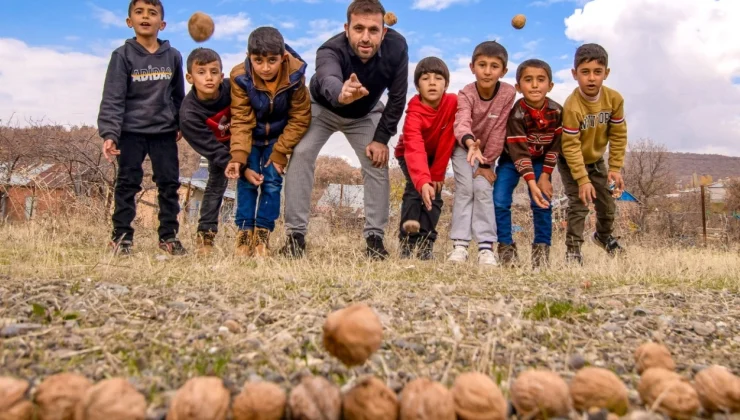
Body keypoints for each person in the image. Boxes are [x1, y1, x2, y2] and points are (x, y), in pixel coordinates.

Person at [280, 0, 409, 260]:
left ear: (383, 32)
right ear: (346, 28)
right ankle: (295, 236)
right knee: (301, 153)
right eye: (358, 28)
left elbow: (397, 97)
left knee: (377, 161)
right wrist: (341, 93)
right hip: (322, 107)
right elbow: (327, 77)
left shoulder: (397, 47)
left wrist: (382, 139)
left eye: (373, 30)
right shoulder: (329, 49)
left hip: (365, 114)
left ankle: (375, 239)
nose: (365, 37)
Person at [98, 0, 185, 256]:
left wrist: (179, 122)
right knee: (127, 184)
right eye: (139, 12)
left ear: (162, 23)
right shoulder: (122, 56)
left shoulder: (173, 56)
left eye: (152, 13)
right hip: (131, 132)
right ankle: (121, 238)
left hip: (163, 133)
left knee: (169, 185)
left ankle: (169, 237)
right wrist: (110, 134)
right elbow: (113, 97)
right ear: (129, 22)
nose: (145, 17)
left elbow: (179, 95)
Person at [225, 27, 311, 257]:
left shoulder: (295, 77)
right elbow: (241, 118)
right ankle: (244, 233)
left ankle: (263, 233)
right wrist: (239, 156)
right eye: (258, 61)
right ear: (248, 57)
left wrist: (281, 152)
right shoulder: (240, 77)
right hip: (250, 136)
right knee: (247, 182)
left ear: (282, 58)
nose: (265, 67)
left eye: (272, 60)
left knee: (272, 183)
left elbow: (300, 117)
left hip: (278, 137)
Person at [559, 43, 628, 264]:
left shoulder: (614, 100)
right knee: (579, 205)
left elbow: (618, 134)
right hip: (572, 162)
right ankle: (573, 251)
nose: (591, 78)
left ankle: (603, 237)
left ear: (606, 73)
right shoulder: (572, 106)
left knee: (607, 204)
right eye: (585, 72)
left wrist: (615, 168)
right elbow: (570, 146)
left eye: (597, 72)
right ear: (574, 74)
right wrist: (582, 180)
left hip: (596, 160)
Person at [449, 41, 516, 266]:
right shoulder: (466, 93)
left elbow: (499, 129)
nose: (487, 71)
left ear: (503, 71)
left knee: (483, 190)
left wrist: (487, 163)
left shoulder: (507, 93)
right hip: (463, 148)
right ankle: (460, 245)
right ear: (472, 67)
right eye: (482, 65)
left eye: (494, 66)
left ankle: (486, 247)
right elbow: (461, 121)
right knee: (466, 190)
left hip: (488, 154)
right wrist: (469, 143)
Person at [493, 59, 563, 269]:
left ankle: (541, 255)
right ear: (518, 87)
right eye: (528, 80)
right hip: (512, 159)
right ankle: (507, 251)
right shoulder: (516, 114)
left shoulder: (557, 112)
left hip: (542, 161)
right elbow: (519, 152)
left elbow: (555, 146)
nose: (534, 85)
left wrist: (544, 177)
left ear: (550, 86)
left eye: (540, 80)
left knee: (542, 203)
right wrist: (531, 183)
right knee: (499, 200)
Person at [394, 57, 457, 260]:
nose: (432, 82)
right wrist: (423, 181)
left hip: (436, 157)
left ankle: (425, 244)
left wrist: (437, 174)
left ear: (446, 84)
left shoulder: (452, 103)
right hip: (410, 155)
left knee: (435, 195)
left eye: (438, 78)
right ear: (417, 85)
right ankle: (407, 242)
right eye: (425, 78)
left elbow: (448, 140)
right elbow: (414, 148)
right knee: (415, 189)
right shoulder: (413, 114)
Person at [179, 48, 232, 256]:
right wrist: (231, 163)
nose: (208, 77)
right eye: (201, 72)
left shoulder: (232, 89)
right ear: (190, 77)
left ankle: (250, 234)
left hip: (243, 140)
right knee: (216, 183)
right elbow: (210, 148)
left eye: (214, 71)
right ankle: (205, 237)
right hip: (216, 148)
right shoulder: (189, 113)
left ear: (222, 75)